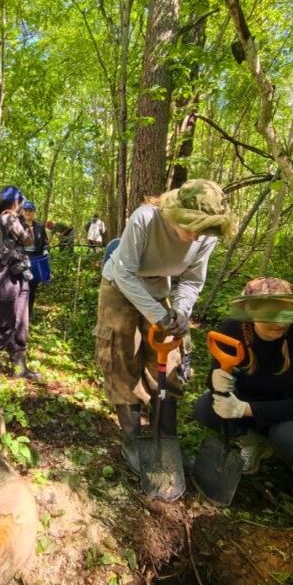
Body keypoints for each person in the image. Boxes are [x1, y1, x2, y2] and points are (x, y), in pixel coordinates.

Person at [96, 179, 234, 474]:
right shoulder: (145, 218)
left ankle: (166, 441)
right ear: (175, 213)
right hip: (119, 287)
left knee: (169, 361)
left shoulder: (206, 237)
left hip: (159, 288)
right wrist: (157, 315)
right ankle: (132, 440)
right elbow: (125, 274)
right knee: (122, 357)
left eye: (202, 229)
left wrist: (181, 311)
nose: (195, 235)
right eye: (190, 227)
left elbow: (193, 280)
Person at [192, 277, 293, 506]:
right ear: (249, 310)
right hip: (254, 402)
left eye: (283, 314)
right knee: (205, 407)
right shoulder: (232, 329)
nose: (277, 323)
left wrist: (245, 409)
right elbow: (217, 378)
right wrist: (217, 381)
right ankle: (254, 442)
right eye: (268, 314)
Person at [0, 186, 40, 388]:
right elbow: (27, 239)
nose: (22, 206)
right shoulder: (7, 217)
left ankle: (20, 368)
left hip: (18, 273)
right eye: (20, 202)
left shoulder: (8, 218)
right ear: (13, 202)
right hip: (6, 275)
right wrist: (27, 227)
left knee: (21, 321)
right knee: (3, 322)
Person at [19, 200, 49, 317]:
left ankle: (29, 312)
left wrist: (46, 250)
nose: (28, 212)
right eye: (26, 210)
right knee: (22, 285)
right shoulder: (18, 225)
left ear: (33, 212)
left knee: (33, 285)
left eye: (30, 210)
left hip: (36, 258)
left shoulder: (39, 227)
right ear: (23, 211)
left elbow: (45, 242)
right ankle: (20, 311)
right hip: (22, 257)